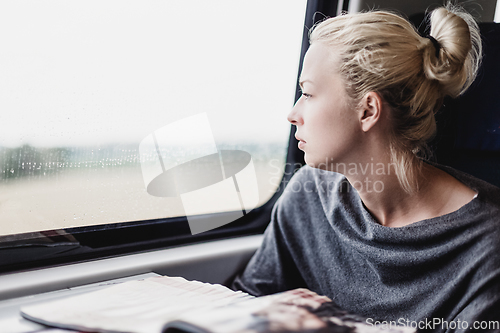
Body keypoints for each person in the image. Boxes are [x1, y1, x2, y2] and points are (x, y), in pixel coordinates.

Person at [232, 3, 500, 332]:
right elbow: (247, 304)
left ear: (368, 110)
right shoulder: (307, 197)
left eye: (308, 93)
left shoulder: (488, 246)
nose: (293, 114)